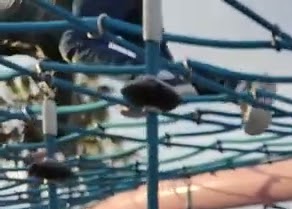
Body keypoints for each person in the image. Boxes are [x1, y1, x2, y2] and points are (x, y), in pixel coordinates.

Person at [0, 0, 273, 134]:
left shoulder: (17, 14)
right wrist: (54, 141)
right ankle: (246, 89)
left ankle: (151, 76)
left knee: (75, 42)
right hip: (122, 7)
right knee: (170, 75)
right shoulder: (40, 47)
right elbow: (60, 83)